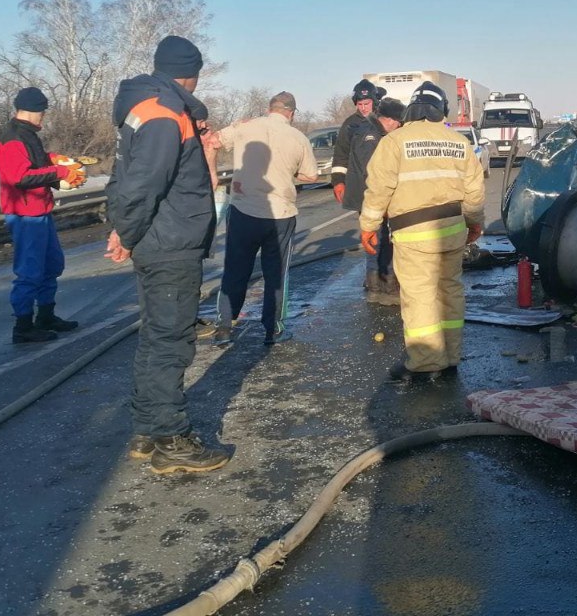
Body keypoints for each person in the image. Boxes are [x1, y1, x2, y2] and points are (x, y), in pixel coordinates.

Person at [104, 35, 229, 475]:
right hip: (170, 243)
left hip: (160, 238)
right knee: (171, 342)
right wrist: (127, 232)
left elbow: (124, 178)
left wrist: (123, 227)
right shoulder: (164, 114)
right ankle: (171, 438)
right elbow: (144, 184)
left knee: (157, 336)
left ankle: (146, 430)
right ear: (192, 73)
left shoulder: (144, 107)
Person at [359, 82, 486, 381]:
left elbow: (378, 189)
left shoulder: (394, 142)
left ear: (412, 110)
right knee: (450, 292)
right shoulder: (459, 142)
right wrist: (474, 222)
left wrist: (368, 225)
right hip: (452, 231)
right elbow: (474, 191)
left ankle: (427, 361)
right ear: (441, 110)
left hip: (413, 235)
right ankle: (451, 355)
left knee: (420, 296)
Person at [214, 91, 317, 346]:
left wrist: (211, 177)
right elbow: (311, 176)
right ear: (291, 113)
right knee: (276, 274)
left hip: (243, 209)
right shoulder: (298, 137)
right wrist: (287, 172)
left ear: (269, 108)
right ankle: (274, 330)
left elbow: (213, 142)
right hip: (280, 214)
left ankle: (225, 326)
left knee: (236, 268)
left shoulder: (245, 126)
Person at [0, 86, 84, 344]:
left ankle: (45, 316)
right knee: (30, 271)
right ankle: (23, 327)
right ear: (34, 110)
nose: (44, 117)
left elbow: (35, 162)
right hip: (24, 214)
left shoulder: (28, 135)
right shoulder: (13, 137)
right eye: (43, 112)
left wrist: (55, 159)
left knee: (52, 265)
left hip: (39, 210)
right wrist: (59, 172)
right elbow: (19, 176)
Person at [338, 96, 405, 303]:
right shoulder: (371, 136)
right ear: (391, 120)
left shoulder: (371, 129)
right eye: (399, 123)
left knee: (379, 238)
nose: (400, 127)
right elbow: (373, 172)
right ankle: (380, 282)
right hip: (370, 196)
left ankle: (377, 281)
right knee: (378, 239)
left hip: (369, 195)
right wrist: (381, 202)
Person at [329, 79, 383, 204]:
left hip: (385, 181)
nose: (363, 108)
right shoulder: (350, 124)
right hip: (361, 186)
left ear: (374, 102)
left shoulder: (385, 120)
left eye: (367, 103)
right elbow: (340, 156)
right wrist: (338, 182)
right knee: (368, 221)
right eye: (360, 104)